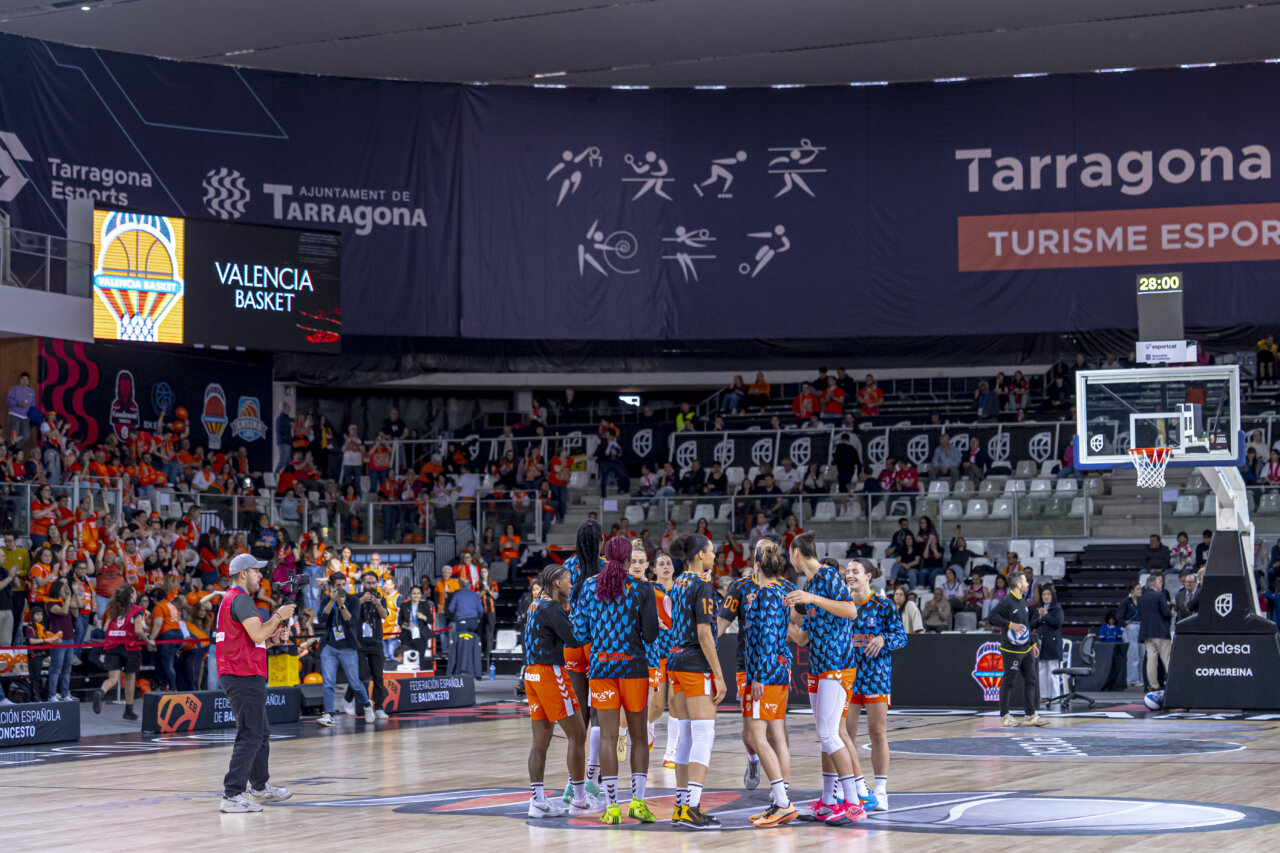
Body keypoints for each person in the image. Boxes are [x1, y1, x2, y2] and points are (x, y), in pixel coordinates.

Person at [572, 536, 659, 826]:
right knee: (638, 737)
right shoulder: (642, 588)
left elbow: (580, 633)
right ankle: (637, 803)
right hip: (633, 668)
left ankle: (611, 808)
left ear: (607, 555)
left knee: (607, 737)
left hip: (601, 669)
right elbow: (649, 635)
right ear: (626, 559)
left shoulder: (588, 585)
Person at [787, 532, 866, 825]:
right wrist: (781, 622)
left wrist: (812, 599)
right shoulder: (811, 585)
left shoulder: (828, 575)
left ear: (796, 552)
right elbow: (805, 637)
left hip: (836, 666)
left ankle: (854, 803)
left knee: (831, 734)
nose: (789, 559)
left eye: (790, 553)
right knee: (824, 736)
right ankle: (829, 801)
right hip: (819, 667)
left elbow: (850, 610)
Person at [215, 553, 297, 813]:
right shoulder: (240, 599)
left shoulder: (233, 600)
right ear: (243, 573)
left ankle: (260, 788)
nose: (260, 576)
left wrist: (273, 639)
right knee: (250, 735)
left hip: (243, 671)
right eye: (256, 571)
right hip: (242, 674)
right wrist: (278, 617)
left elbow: (255, 639)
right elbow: (258, 632)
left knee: (260, 733)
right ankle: (232, 795)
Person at [665, 531, 727, 830]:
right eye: (711, 551)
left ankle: (680, 806)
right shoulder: (702, 585)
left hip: (675, 660)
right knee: (704, 735)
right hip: (693, 664)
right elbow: (704, 633)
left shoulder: (678, 582)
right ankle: (691, 807)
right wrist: (718, 673)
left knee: (686, 736)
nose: (714, 556)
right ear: (700, 554)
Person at [524, 563, 595, 818]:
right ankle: (579, 798)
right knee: (577, 734)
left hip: (531, 673)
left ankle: (538, 801)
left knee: (539, 742)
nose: (570, 585)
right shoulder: (552, 607)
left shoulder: (535, 604)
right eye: (568, 580)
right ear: (556, 583)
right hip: (549, 673)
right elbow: (574, 639)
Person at [739, 540, 799, 828]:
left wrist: (759, 676)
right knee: (776, 732)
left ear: (757, 567)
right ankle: (779, 798)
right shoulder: (784, 591)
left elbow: (767, 638)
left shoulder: (764, 594)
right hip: (779, 670)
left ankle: (783, 803)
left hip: (767, 674)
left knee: (756, 735)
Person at [844, 559, 905, 812]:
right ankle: (853, 788)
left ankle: (880, 789)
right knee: (845, 736)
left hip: (876, 676)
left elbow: (901, 637)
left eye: (855, 571)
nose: (849, 575)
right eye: (847, 571)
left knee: (877, 733)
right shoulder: (843, 605)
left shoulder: (883, 604)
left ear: (868, 576)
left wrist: (882, 638)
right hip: (848, 677)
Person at [987, 571, 1047, 727]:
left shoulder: (1023, 601)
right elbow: (991, 617)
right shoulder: (1007, 602)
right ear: (1018, 584)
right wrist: (1009, 624)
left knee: (1031, 679)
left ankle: (1030, 715)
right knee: (1009, 681)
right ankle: (1005, 716)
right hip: (1011, 649)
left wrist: (1032, 643)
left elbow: (1026, 625)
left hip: (1025, 648)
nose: (1028, 584)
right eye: (1025, 581)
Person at [315, 573, 375, 726]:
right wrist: (332, 601)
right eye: (337, 586)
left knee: (354, 682)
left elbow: (351, 621)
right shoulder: (325, 599)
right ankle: (329, 714)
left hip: (348, 646)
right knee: (328, 681)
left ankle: (367, 705)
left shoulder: (353, 600)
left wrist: (341, 605)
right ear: (331, 586)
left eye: (343, 585)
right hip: (330, 645)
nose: (341, 588)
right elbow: (321, 618)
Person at [645, 551, 679, 769]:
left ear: (673, 568)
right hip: (655, 653)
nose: (666, 566)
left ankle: (671, 752)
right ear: (654, 570)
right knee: (656, 707)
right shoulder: (649, 589)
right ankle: (649, 731)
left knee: (676, 704)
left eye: (669, 563)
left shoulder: (682, 588)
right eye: (661, 564)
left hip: (678, 652)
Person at [91, 584, 147, 719]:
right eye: (134, 592)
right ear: (130, 595)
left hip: (112, 645)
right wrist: (147, 640)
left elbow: (105, 628)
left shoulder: (113, 609)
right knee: (130, 677)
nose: (136, 595)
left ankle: (101, 691)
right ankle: (128, 709)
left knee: (113, 678)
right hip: (130, 646)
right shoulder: (137, 609)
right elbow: (138, 630)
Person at [342, 570, 390, 719]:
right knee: (361, 675)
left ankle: (379, 708)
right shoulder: (355, 597)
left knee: (378, 676)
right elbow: (347, 615)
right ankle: (348, 699)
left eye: (373, 583)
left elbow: (384, 615)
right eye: (368, 583)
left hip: (375, 642)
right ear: (363, 584)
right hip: (359, 642)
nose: (371, 586)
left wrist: (377, 604)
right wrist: (361, 601)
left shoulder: (380, 597)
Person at [1138, 574, 1172, 690]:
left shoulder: (1141, 598)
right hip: (1161, 632)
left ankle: (1153, 685)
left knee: (1151, 660)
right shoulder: (1160, 596)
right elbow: (1166, 613)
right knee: (1166, 658)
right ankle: (1172, 683)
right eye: (1159, 583)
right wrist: (1170, 608)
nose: (1161, 585)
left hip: (1147, 632)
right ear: (1154, 584)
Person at [1031, 584, 1064, 702]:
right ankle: (1043, 695)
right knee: (1042, 670)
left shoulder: (1057, 609)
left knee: (1052, 670)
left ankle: (1055, 696)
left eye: (1048, 594)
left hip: (1053, 643)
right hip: (1041, 643)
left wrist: (1045, 616)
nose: (1046, 596)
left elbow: (1057, 623)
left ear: (1052, 596)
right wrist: (1040, 618)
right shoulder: (1038, 609)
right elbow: (1031, 624)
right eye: (1044, 594)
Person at [1117, 581, 1144, 686]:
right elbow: (1119, 616)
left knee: (1142, 653)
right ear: (1132, 590)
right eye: (1138, 589)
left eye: (1140, 589)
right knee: (1133, 654)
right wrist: (1126, 625)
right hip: (1131, 626)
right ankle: (1132, 679)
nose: (1140, 591)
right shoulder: (1126, 602)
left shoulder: (1141, 601)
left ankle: (1141, 678)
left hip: (1141, 626)